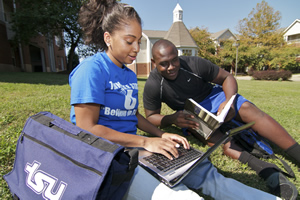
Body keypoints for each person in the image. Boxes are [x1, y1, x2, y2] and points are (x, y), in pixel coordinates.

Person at [69, 1, 283, 199]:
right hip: (106, 154)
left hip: (132, 147)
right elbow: (87, 128)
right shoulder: (91, 70)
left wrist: (163, 135)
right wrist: (146, 142)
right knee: (180, 196)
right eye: (129, 41)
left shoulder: (127, 74)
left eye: (138, 40)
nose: (136, 48)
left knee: (204, 173)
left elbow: (131, 114)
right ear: (108, 38)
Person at [143, 39, 299, 200]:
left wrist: (229, 101)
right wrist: (173, 119)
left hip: (215, 97)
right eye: (164, 64)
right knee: (220, 142)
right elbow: (151, 116)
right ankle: (267, 170)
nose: (171, 67)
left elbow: (227, 78)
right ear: (154, 62)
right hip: (193, 114)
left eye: (174, 60)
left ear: (178, 55)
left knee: (246, 109)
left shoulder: (194, 63)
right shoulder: (153, 85)